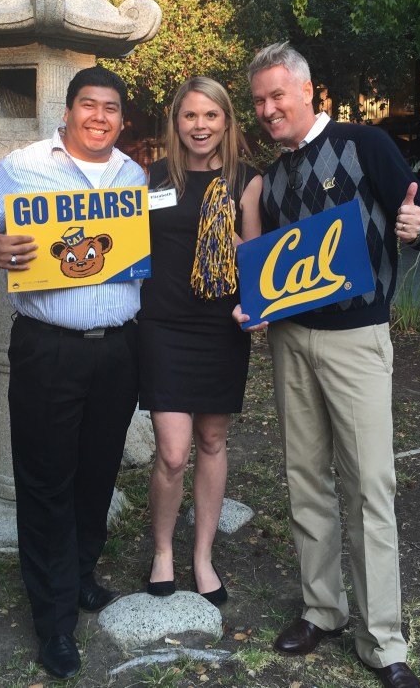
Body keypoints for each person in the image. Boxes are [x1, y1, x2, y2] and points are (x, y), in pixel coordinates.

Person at [234, 42, 420, 688]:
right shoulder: (270, 178)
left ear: (306, 90)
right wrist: (255, 305)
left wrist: (418, 225)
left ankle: (382, 640)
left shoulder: (364, 144)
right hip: (290, 341)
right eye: (259, 101)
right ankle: (321, 609)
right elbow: (271, 266)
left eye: (277, 95)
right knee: (305, 479)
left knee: (369, 486)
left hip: (356, 340)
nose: (268, 109)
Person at [0, 66, 144, 681]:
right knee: (45, 481)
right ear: (68, 111)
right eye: (89, 105)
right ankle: (54, 621)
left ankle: (81, 572)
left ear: (122, 120)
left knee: (97, 471)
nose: (99, 117)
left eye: (110, 108)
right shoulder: (24, 166)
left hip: (117, 350)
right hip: (48, 348)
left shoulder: (133, 177)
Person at [140, 77, 262, 605]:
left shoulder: (246, 182)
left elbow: (257, 262)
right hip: (163, 325)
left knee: (212, 440)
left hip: (219, 327)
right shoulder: (149, 178)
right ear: (176, 121)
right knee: (172, 453)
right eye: (190, 115)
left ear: (227, 121)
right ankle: (162, 551)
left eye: (211, 115)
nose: (200, 126)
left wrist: (250, 298)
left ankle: (202, 556)